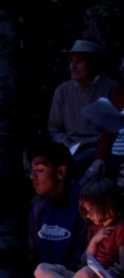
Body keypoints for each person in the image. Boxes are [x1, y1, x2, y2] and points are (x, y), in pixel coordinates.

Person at [47, 38, 118, 176]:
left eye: (79, 61)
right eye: (71, 61)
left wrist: (88, 143)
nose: (73, 66)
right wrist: (67, 143)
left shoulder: (110, 89)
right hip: (69, 147)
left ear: (91, 63)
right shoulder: (63, 91)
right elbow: (54, 128)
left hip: (97, 150)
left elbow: (113, 131)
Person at [27, 141, 88, 273]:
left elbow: (81, 261)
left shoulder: (85, 208)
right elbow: (31, 254)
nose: (32, 176)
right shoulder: (38, 208)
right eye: (32, 171)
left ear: (61, 171)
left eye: (39, 170)